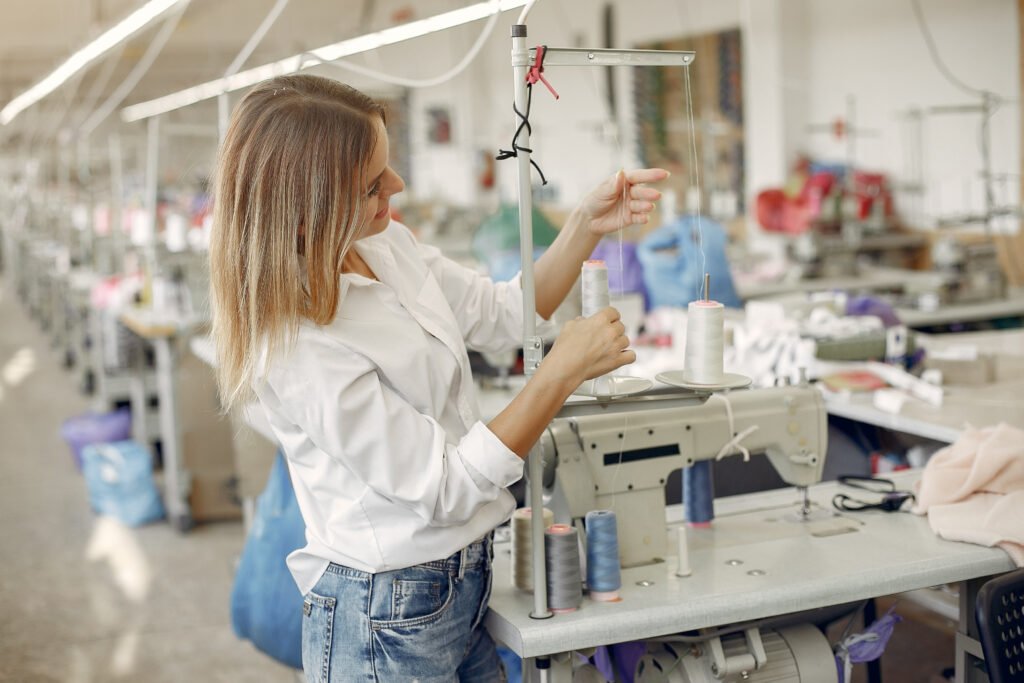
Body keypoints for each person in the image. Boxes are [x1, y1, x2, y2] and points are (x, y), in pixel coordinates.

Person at [209, 73, 667, 683]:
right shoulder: (294, 344)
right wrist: (560, 373)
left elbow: (506, 314)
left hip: (460, 581)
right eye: (373, 184)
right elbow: (445, 485)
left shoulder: (383, 246)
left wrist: (585, 223)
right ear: (304, 215)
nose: (397, 186)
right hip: (385, 610)